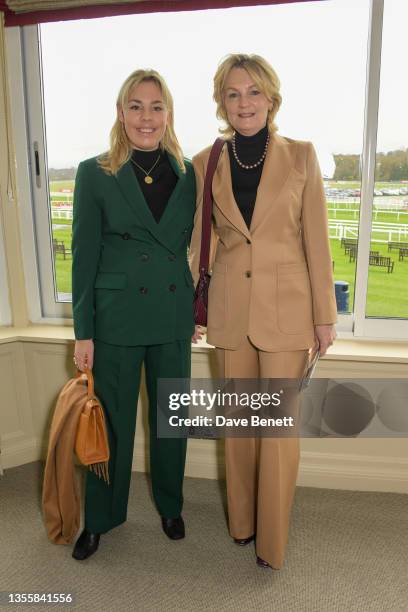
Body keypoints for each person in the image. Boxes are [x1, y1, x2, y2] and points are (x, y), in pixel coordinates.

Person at [190, 53, 337, 570]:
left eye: (254, 92)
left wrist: (325, 316)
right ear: (221, 102)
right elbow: (199, 245)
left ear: (272, 98)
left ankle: (271, 542)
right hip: (231, 313)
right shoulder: (204, 163)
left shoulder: (302, 156)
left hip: (289, 315)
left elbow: (316, 241)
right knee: (238, 427)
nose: (244, 102)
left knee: (275, 432)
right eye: (233, 93)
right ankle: (242, 524)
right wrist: (194, 305)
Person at [71, 69, 196, 560]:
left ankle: (170, 505)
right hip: (115, 318)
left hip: (169, 314)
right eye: (137, 106)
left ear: (169, 114)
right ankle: (100, 518)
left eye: (157, 106)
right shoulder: (93, 172)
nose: (147, 116)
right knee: (113, 424)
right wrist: (84, 331)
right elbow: (82, 256)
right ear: (121, 113)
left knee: (172, 419)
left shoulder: (190, 173)